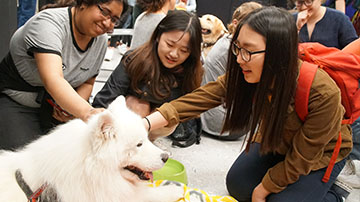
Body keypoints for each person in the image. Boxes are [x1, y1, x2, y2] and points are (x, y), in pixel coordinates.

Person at [142, 6, 353, 201]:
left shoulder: (322, 92)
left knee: (275, 197)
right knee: (238, 185)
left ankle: (333, 194)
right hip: (277, 139)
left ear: (277, 53)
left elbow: (303, 157)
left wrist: (264, 188)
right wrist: (145, 124)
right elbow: (203, 97)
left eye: (248, 50)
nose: (239, 59)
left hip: (319, 153)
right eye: (237, 47)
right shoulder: (249, 73)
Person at [0, 0, 126, 150]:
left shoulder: (100, 40)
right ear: (84, 3)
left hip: (57, 108)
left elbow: (87, 82)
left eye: (114, 20)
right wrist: (86, 112)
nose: (107, 23)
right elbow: (53, 79)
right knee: (28, 158)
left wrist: (71, 111)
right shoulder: (48, 24)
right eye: (104, 12)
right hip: (16, 102)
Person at [92, 10, 203, 140]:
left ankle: (147, 141)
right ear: (158, 36)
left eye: (184, 50)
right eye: (170, 44)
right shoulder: (135, 59)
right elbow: (106, 98)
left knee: (168, 113)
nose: (174, 54)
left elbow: (186, 109)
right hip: (128, 119)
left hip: (161, 124)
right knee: (138, 105)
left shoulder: (191, 70)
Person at [200, 1, 262, 140]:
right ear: (235, 23)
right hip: (223, 125)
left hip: (213, 119)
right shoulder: (235, 50)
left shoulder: (227, 42)